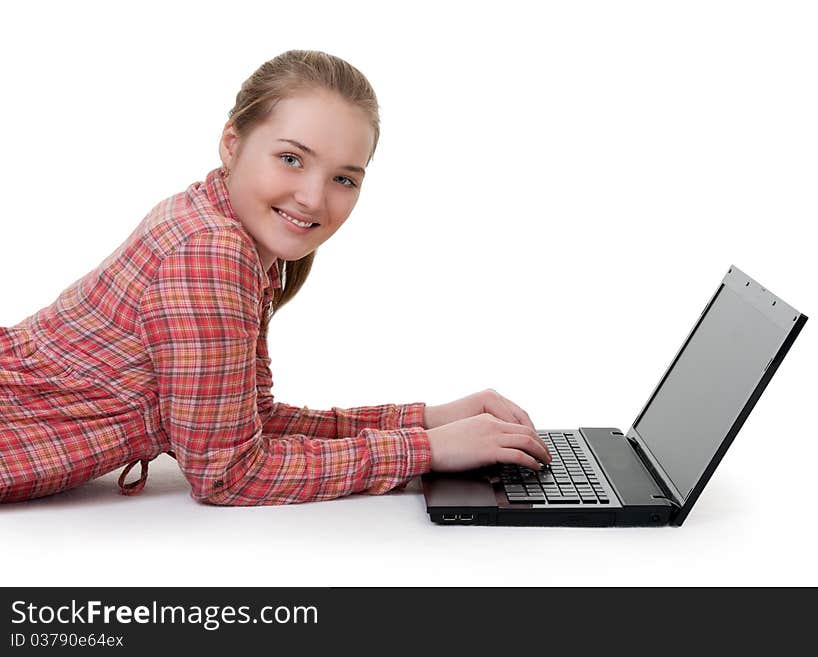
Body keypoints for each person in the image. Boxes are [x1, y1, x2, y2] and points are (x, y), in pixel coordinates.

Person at [0, 49, 551, 506]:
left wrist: (429, 420)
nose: (314, 197)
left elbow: (246, 421)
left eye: (343, 178)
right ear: (232, 142)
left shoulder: (219, 226)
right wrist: (426, 450)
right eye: (291, 159)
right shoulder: (210, 254)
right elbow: (230, 473)